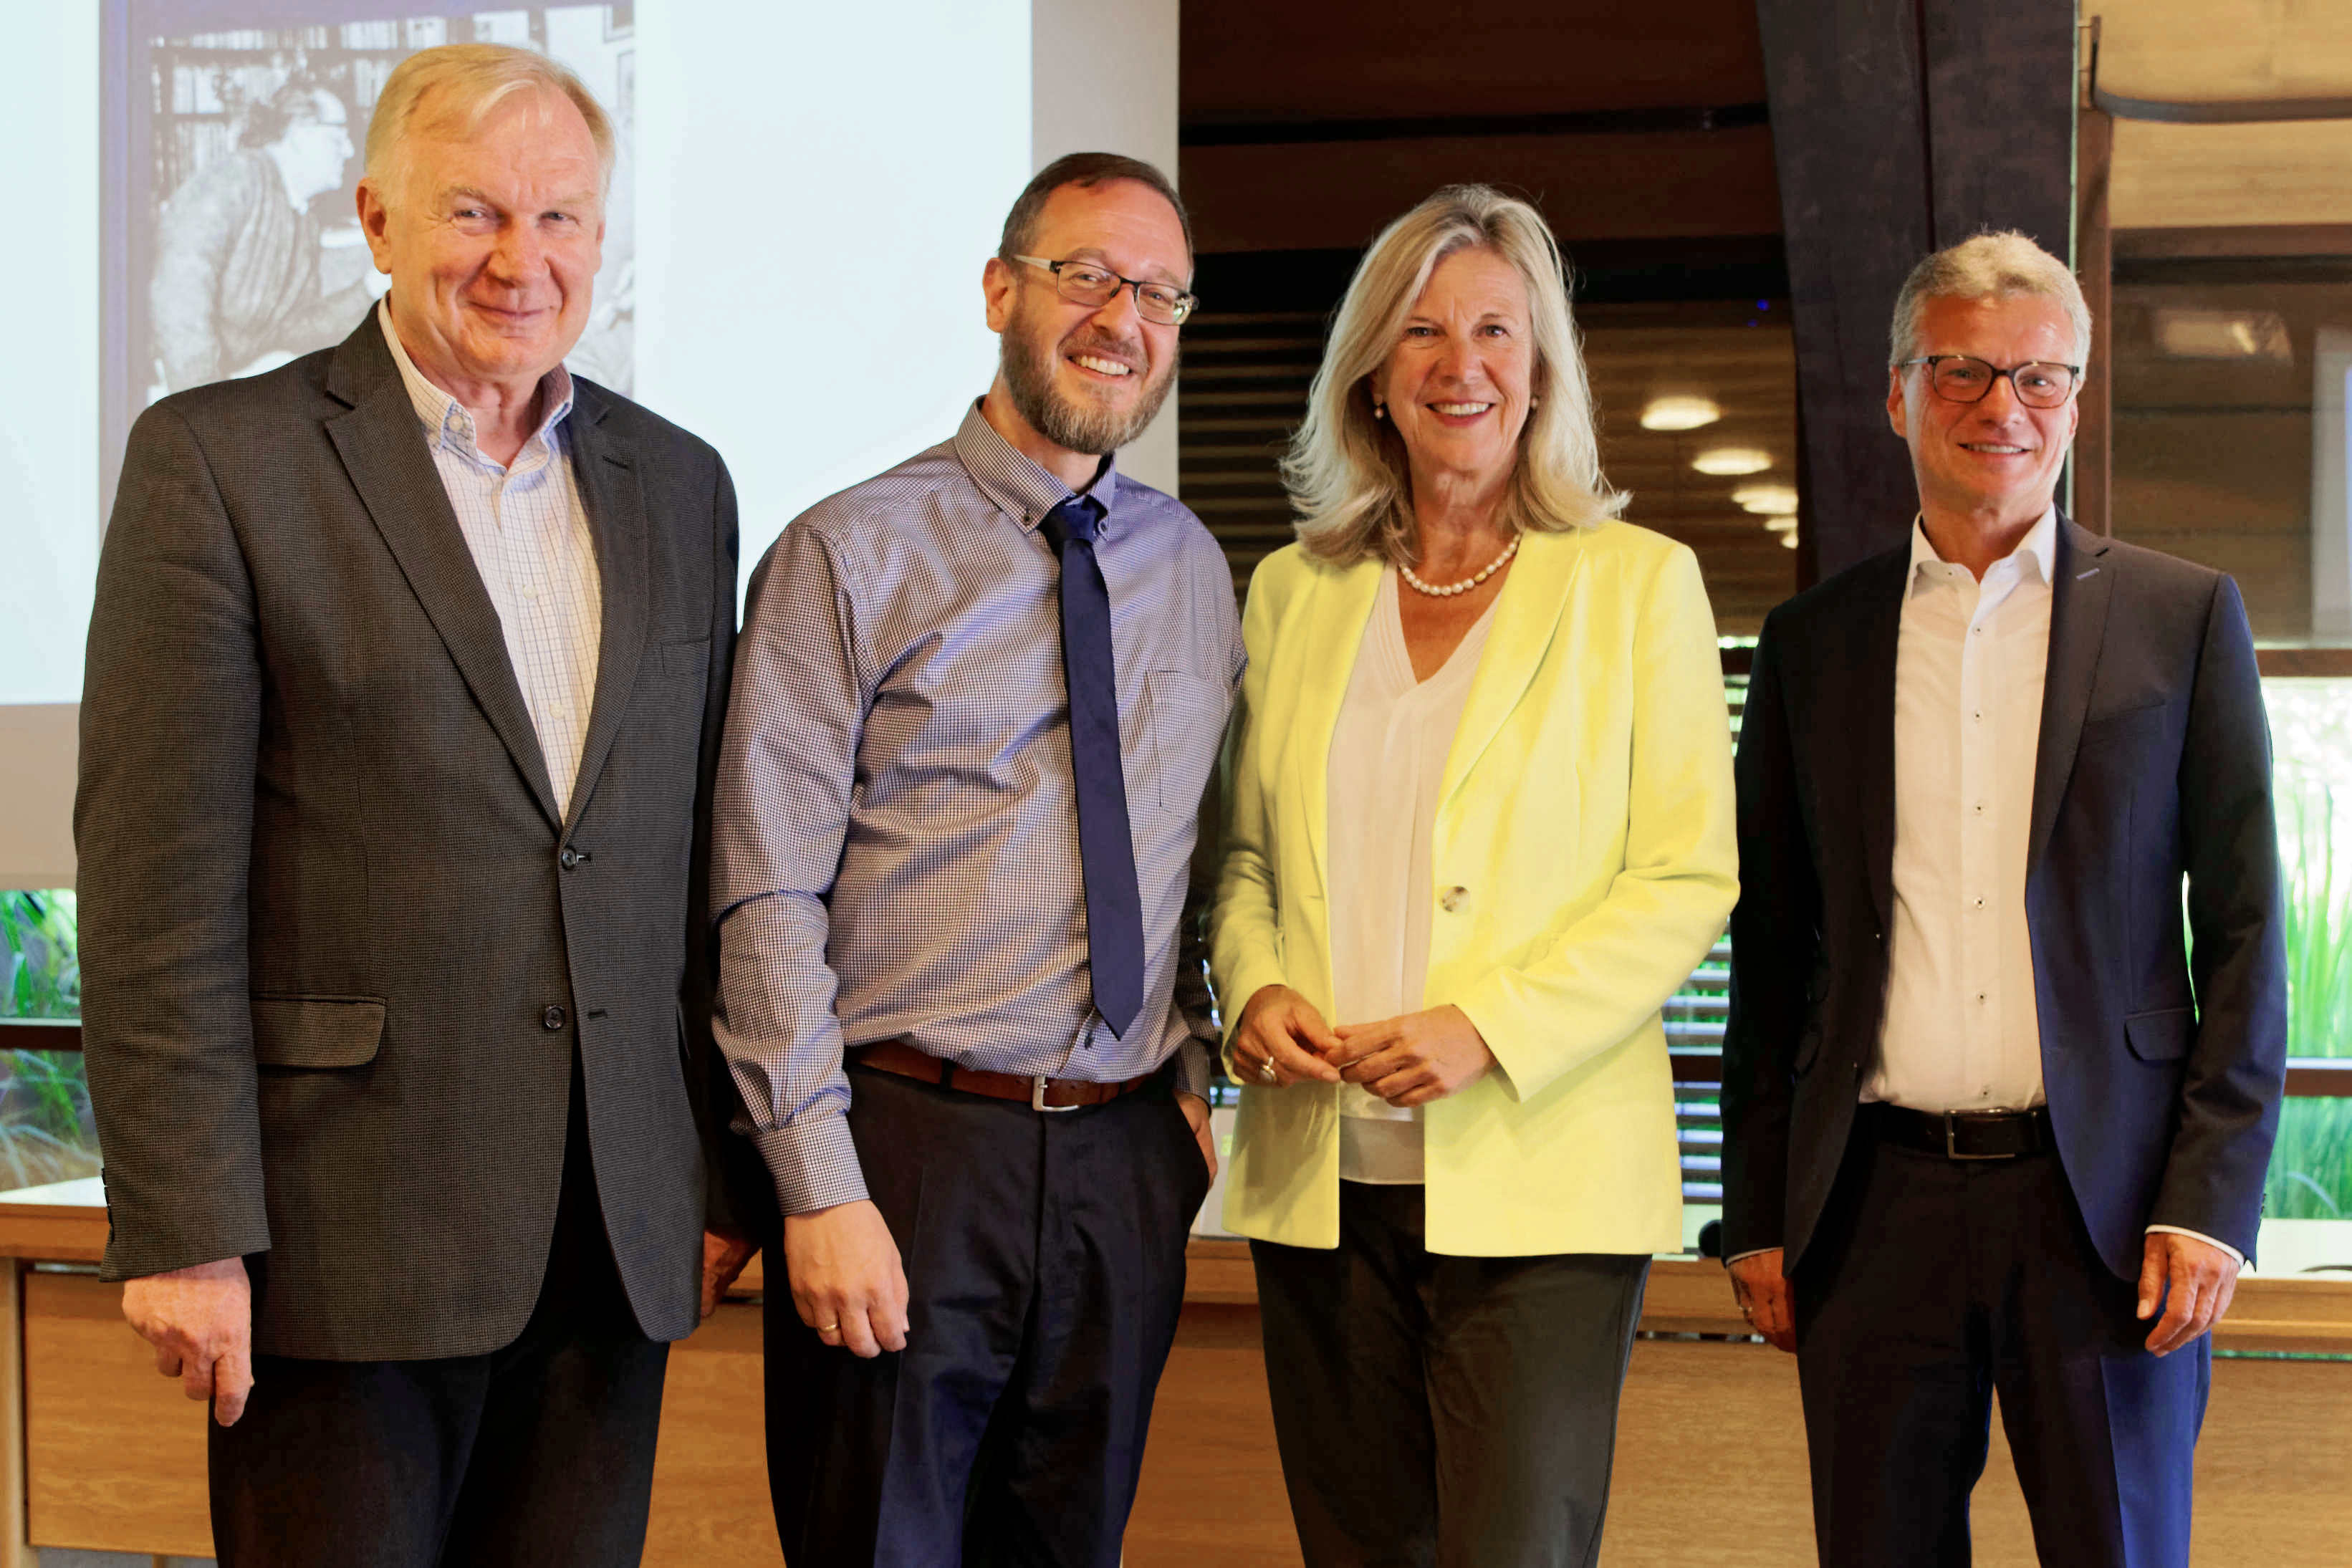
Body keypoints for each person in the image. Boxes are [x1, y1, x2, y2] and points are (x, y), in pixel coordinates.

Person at [78, 43, 753, 1567]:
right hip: (340, 1238)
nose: (524, 259)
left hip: (610, 1237)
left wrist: (711, 1170)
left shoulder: (680, 483)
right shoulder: (221, 462)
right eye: (475, 214)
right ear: (377, 221)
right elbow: (153, 891)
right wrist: (188, 1229)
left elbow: (683, 856)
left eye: (564, 219)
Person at [1719, 230, 2287, 1568]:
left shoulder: (2180, 616)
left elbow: (2251, 924)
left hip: (2101, 1212)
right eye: (1961, 371)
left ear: (2076, 400)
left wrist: (2208, 1195)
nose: (2000, 408)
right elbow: (1773, 939)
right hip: (1871, 1208)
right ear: (1899, 393)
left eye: (2038, 378)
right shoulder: (1814, 642)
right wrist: (1755, 1203)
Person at [710, 150, 1235, 1566]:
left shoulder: (1194, 568)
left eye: (1159, 292)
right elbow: (763, 888)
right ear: (1002, 288)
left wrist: (1186, 1091)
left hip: (1125, 1161)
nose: (1121, 317)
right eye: (1087, 275)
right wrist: (816, 1182)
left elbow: (1195, 849)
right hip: (910, 1155)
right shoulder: (848, 549)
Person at [1210, 184, 1739, 1568]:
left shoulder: (1638, 583)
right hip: (1318, 1177)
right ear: (1371, 374)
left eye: (1495, 329)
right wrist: (1252, 980)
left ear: (1542, 365)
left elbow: (1685, 876)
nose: (1462, 364)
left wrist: (1484, 1026)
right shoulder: (1289, 592)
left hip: (1544, 1180)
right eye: (1422, 330)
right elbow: (1247, 856)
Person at [150, 79, 376, 392]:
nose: (350, 150)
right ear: (300, 134)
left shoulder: (303, 218)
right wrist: (205, 410)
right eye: (339, 136)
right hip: (180, 390)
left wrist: (369, 289)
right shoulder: (231, 182)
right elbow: (179, 305)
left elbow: (294, 330)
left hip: (236, 384)